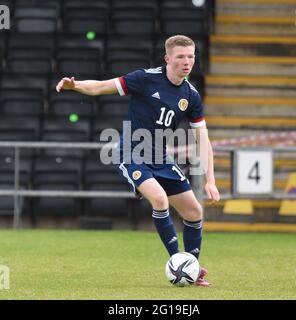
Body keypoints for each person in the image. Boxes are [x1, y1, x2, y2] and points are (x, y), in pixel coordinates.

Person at [56, 35, 220, 287]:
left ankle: (192, 268)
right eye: (180, 57)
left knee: (194, 211)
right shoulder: (145, 79)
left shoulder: (191, 95)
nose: (186, 62)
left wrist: (210, 179)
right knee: (159, 198)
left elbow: (203, 138)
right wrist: (74, 86)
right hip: (131, 153)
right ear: (167, 59)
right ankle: (178, 262)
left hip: (160, 157)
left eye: (191, 57)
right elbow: (101, 86)